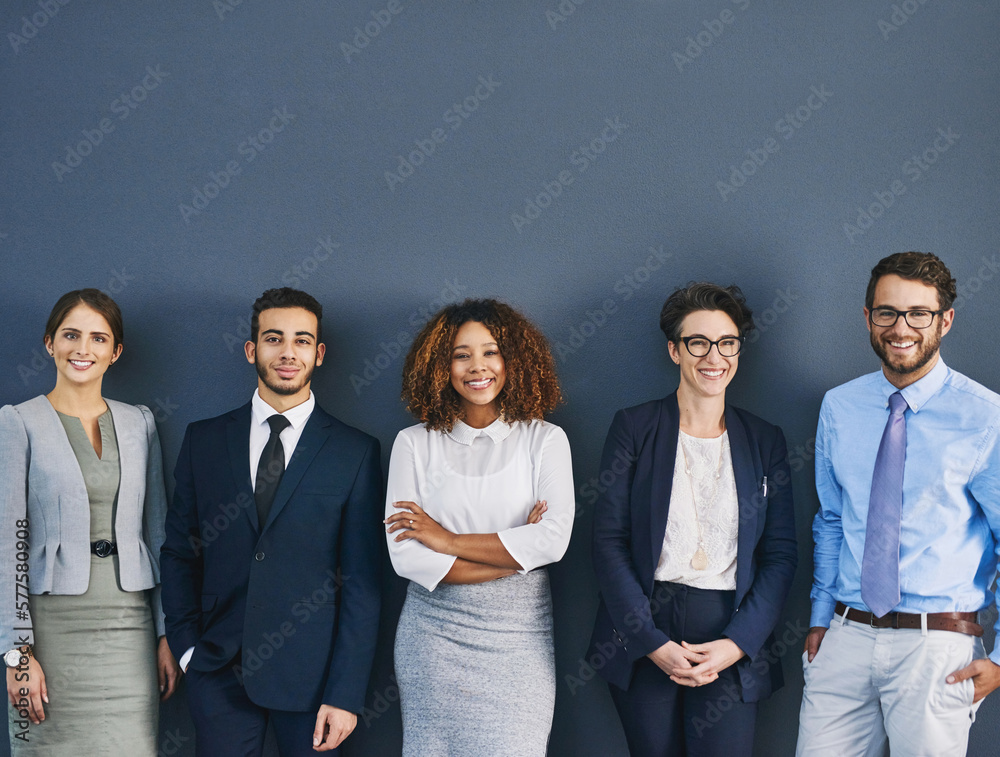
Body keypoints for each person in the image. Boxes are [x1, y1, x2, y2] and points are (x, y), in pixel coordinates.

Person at [159, 288, 382, 756]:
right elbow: (180, 550)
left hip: (313, 680)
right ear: (251, 349)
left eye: (302, 341)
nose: (287, 352)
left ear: (319, 354)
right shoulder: (204, 440)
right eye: (274, 339)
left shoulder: (354, 451)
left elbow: (362, 580)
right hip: (217, 669)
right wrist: (186, 647)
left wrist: (344, 694)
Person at [797, 252, 1000, 756]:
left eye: (918, 313)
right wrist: (820, 618)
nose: (900, 327)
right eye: (887, 312)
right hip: (845, 635)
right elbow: (831, 520)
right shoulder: (839, 406)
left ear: (944, 320)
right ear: (868, 318)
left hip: (938, 648)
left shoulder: (986, 418)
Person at [588, 282, 798, 757]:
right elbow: (608, 541)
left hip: (729, 630)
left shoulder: (766, 440)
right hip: (644, 628)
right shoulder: (634, 428)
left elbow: (781, 555)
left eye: (727, 343)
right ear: (674, 350)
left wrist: (738, 643)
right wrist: (651, 642)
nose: (714, 356)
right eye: (698, 342)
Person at [383, 298, 574, 756]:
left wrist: (445, 540)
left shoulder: (545, 439)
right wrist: (515, 555)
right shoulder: (412, 444)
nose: (477, 366)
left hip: (519, 638)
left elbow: (552, 541)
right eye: (460, 354)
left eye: (491, 352)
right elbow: (407, 556)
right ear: (439, 366)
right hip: (433, 638)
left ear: (514, 360)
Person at [1, 289, 180, 755]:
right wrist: (18, 657)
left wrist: (166, 633)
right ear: (49, 343)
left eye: (98, 338)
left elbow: (159, 535)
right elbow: (8, 546)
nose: (83, 349)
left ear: (115, 351)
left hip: (130, 630)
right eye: (71, 335)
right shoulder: (17, 423)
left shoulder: (140, 423)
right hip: (50, 630)